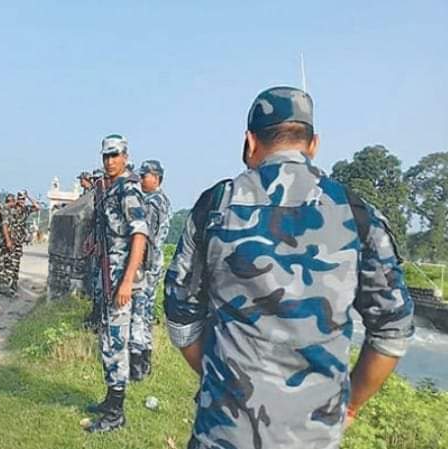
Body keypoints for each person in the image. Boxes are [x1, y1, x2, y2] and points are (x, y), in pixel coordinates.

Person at [164, 86, 415, 449]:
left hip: (223, 431)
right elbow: (393, 332)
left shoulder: (216, 207)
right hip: (313, 435)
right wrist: (350, 404)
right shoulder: (357, 213)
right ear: (313, 144)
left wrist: (222, 381)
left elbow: (181, 321)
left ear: (250, 142)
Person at [85, 134, 148, 433]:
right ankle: (110, 401)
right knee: (107, 341)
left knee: (116, 342)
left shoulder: (128, 189)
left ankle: (116, 413)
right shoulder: (108, 189)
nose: (109, 161)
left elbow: (140, 236)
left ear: (125, 155)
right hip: (107, 277)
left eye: (115, 155)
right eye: (105, 156)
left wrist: (126, 282)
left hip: (121, 280)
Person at [130, 160, 171, 380]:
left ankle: (137, 362)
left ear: (156, 177)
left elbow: (144, 237)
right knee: (144, 313)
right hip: (152, 265)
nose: (141, 179)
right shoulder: (160, 200)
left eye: (145, 175)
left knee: (139, 311)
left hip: (145, 265)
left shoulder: (153, 202)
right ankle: (144, 360)